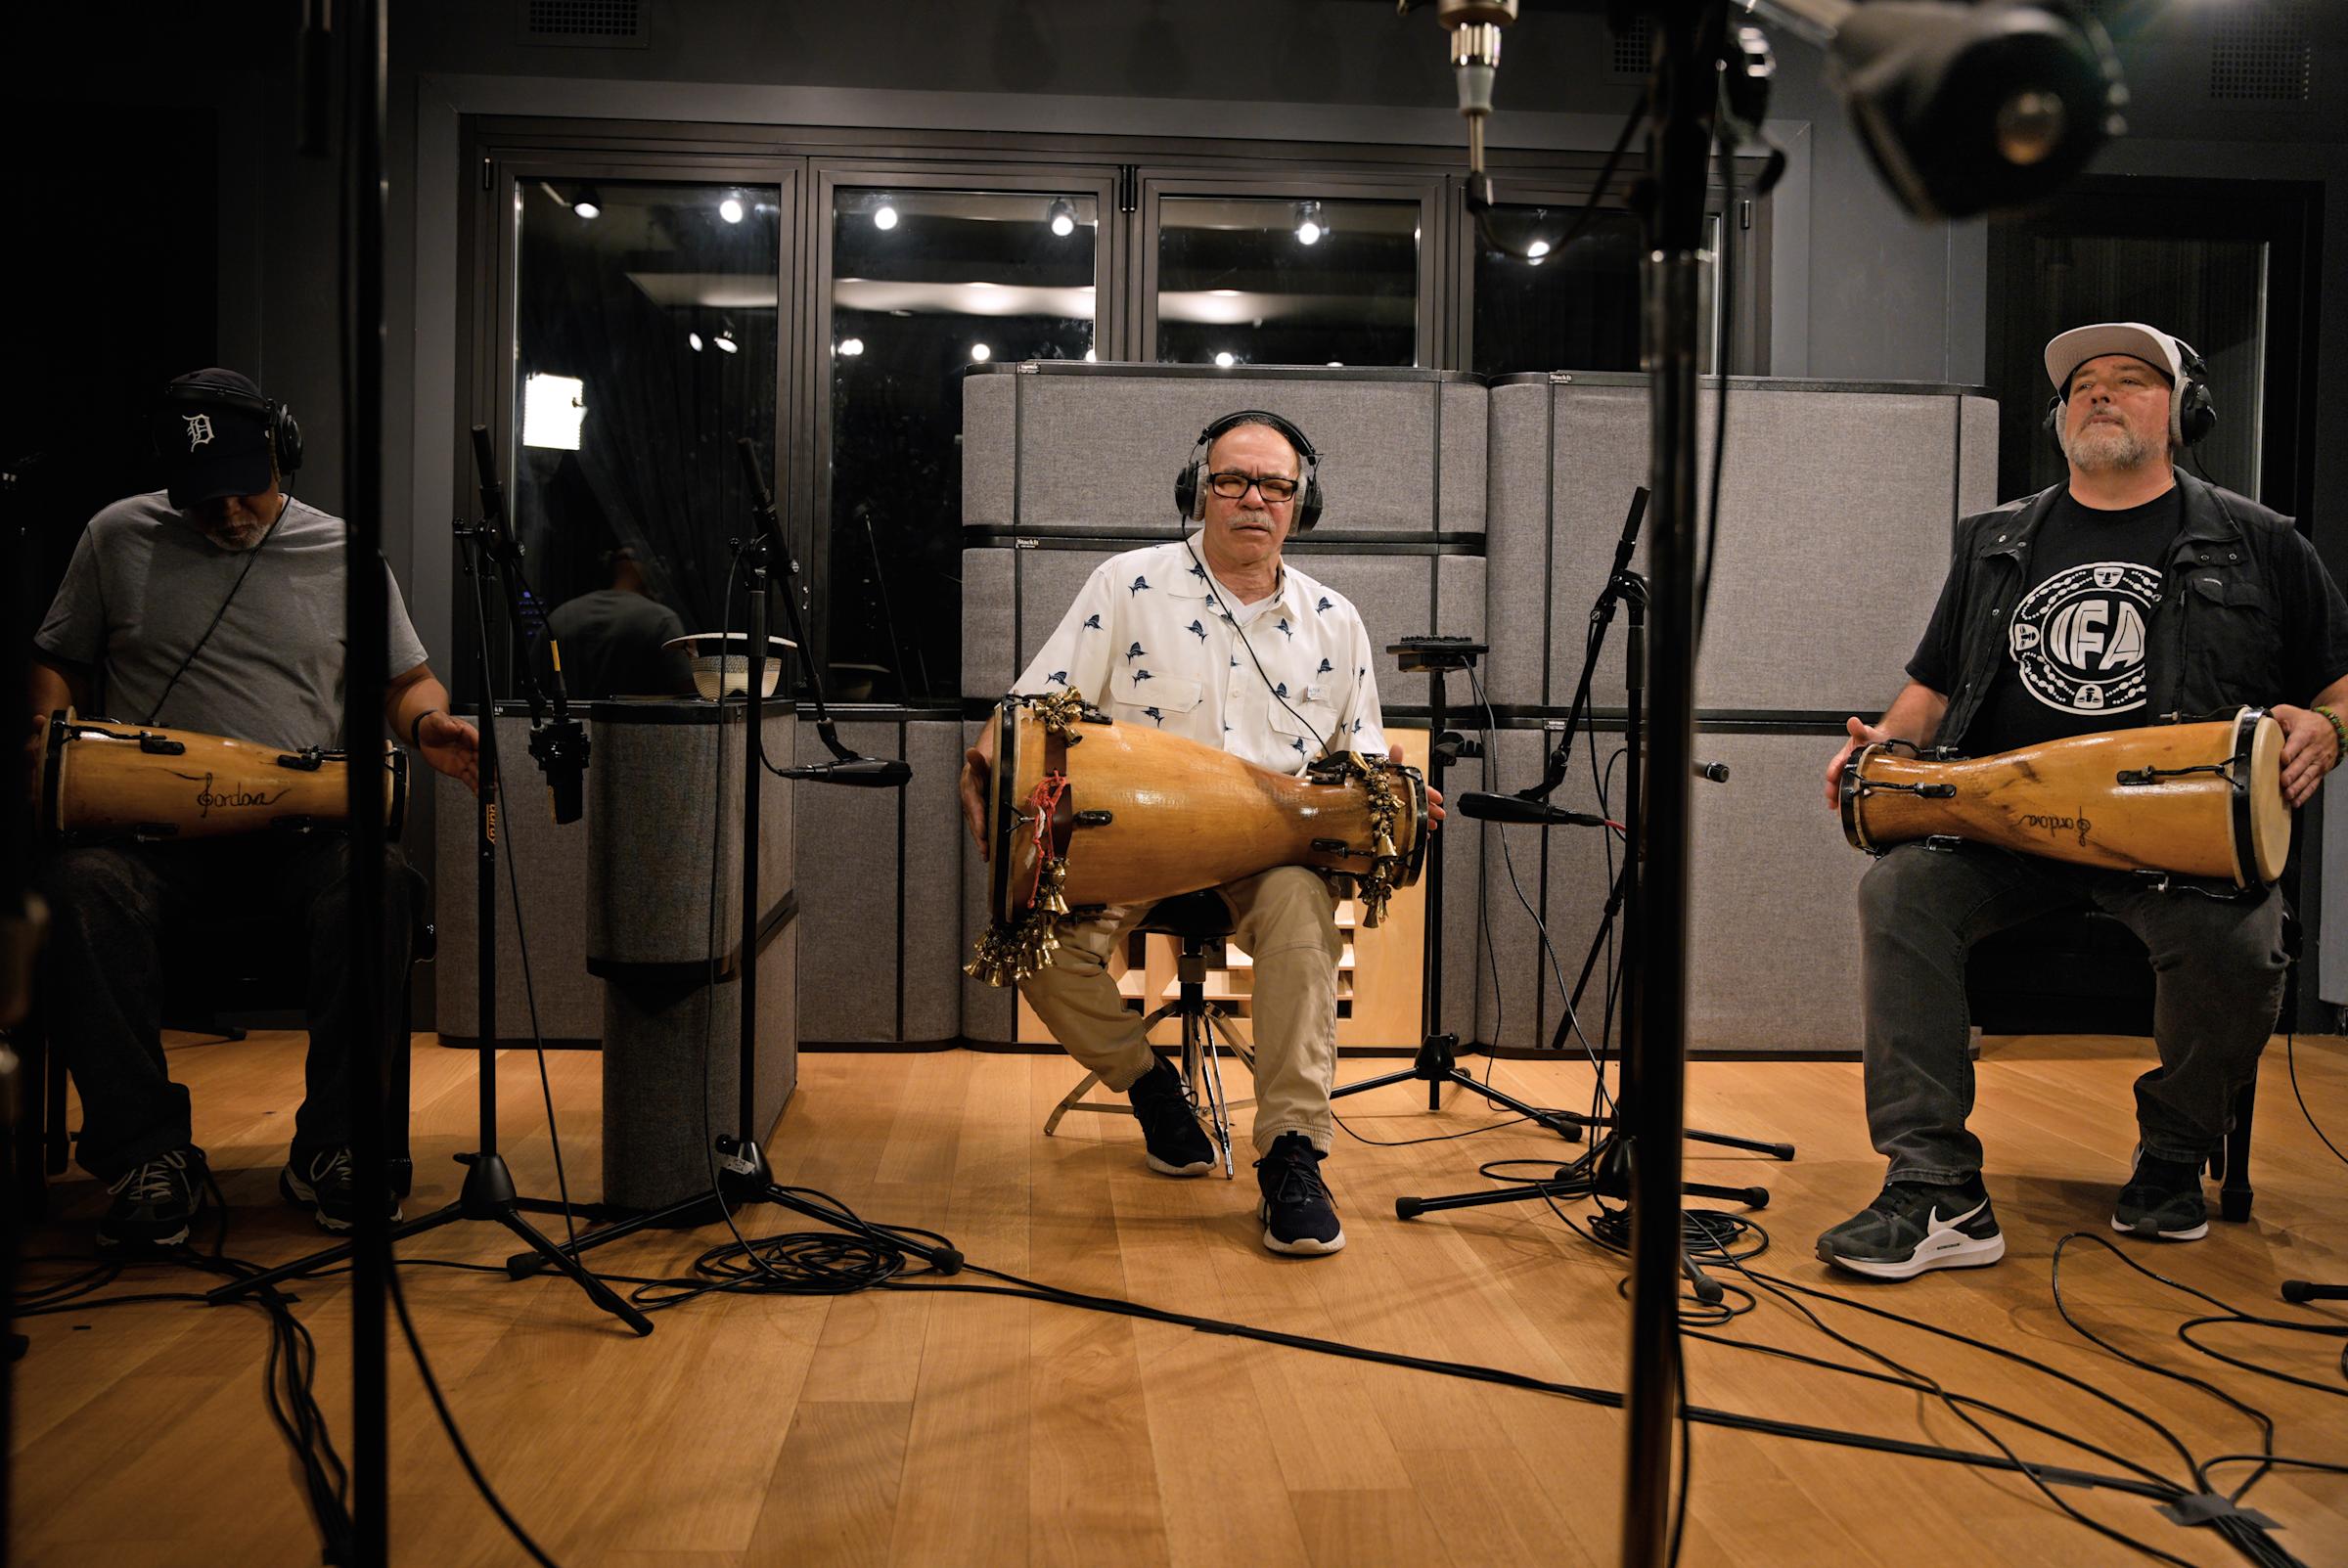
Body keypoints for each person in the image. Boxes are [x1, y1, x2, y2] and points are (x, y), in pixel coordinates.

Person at [1817, 322, 2348, 1279]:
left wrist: (2329, 728)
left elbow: (2341, 681)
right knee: (1897, 891)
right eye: (2083, 385)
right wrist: (1886, 751)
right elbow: (1930, 688)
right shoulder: (1994, 541)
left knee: (2240, 938)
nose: (2099, 393)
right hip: (2004, 833)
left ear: (2182, 413)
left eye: (2131, 380)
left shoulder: (2260, 543)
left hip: (2174, 840)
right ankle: (1934, 1183)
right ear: (2062, 419)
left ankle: (2176, 1149)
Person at [957, 410, 1437, 1256]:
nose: (1254, 499)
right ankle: (1149, 1087)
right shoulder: (1127, 585)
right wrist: (1000, 742)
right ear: (1201, 489)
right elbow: (1036, 701)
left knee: (1301, 916)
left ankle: (1292, 1153)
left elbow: (1361, 766)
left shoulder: (1336, 622)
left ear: (1301, 502)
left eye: (1276, 486)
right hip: (1137, 840)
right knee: (1026, 936)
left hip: (1272, 851)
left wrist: (1392, 800)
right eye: (1232, 480)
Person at [25, 368, 481, 1249]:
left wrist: (427, 725)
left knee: (380, 882)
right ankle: (145, 1153)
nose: (228, 511)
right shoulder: (116, 537)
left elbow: (404, 680)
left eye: (245, 488)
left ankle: (336, 1147)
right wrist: (43, 727)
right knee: (77, 891)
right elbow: (63, 662)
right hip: (149, 839)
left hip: (297, 835)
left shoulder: (343, 552)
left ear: (283, 451)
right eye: (204, 500)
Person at [541, 545, 695, 699]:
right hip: (635, 722)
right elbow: (688, 698)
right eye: (658, 564)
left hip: (565, 721)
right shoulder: (662, 620)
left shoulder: (560, 617)